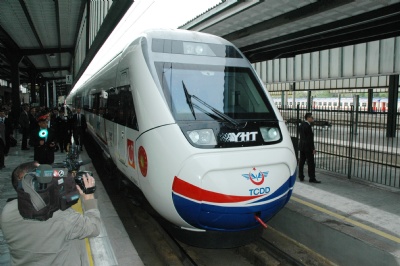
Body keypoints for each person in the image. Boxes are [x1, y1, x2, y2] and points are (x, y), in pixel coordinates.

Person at [1, 162, 101, 265]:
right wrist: (89, 198)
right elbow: (93, 228)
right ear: (35, 183)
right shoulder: (60, 215)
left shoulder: (6, 212)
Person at [298, 112, 321, 183]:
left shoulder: (301, 125)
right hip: (308, 147)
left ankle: (301, 176)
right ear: (308, 118)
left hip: (302, 146)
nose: (312, 119)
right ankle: (312, 178)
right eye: (311, 117)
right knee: (311, 163)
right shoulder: (308, 126)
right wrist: (313, 148)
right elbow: (309, 139)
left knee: (301, 162)